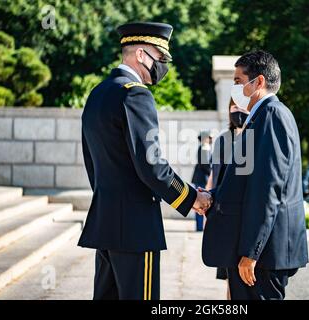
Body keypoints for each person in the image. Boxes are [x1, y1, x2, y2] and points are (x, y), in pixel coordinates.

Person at [78, 22, 212, 300]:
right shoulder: (135, 94)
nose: (163, 65)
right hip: (136, 227)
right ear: (141, 54)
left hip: (106, 223)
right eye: (160, 57)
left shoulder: (98, 94)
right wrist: (190, 197)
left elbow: (92, 162)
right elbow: (151, 165)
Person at [202, 50, 309, 300]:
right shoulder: (261, 116)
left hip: (262, 258)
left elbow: (267, 190)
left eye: (239, 81)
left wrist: (251, 252)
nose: (235, 87)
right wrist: (211, 195)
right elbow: (246, 182)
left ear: (259, 81)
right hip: (259, 253)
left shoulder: (271, 116)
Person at [205, 98, 249, 299]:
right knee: (231, 276)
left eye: (242, 105)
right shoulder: (223, 139)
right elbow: (215, 176)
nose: (237, 110)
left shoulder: (256, 138)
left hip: (248, 214)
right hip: (226, 214)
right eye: (234, 106)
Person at [192, 130, 213, 231]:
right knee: (201, 202)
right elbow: (206, 165)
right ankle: (200, 227)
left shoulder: (205, 147)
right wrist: (212, 173)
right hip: (202, 178)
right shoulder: (204, 147)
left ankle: (200, 227)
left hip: (201, 177)